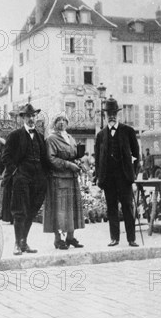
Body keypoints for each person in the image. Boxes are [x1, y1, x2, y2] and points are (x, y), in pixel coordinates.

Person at [1, 103, 49, 255]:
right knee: (20, 211)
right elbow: (6, 157)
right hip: (21, 178)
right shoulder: (15, 135)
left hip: (38, 180)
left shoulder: (40, 137)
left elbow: (45, 159)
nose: (32, 119)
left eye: (34, 116)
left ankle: (24, 242)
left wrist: (45, 176)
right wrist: (16, 172)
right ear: (23, 118)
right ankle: (16, 243)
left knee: (32, 211)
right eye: (28, 116)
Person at [95, 97, 140, 247]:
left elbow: (136, 155)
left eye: (114, 112)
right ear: (105, 115)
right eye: (109, 113)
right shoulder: (100, 135)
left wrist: (133, 175)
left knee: (127, 207)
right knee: (112, 208)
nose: (112, 115)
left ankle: (131, 239)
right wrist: (99, 178)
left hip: (124, 177)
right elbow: (97, 160)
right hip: (108, 179)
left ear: (117, 114)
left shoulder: (128, 131)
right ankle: (114, 238)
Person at [43, 114, 85, 250]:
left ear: (67, 123)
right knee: (59, 209)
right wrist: (68, 165)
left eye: (63, 120)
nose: (61, 123)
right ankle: (58, 239)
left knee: (72, 208)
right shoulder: (51, 139)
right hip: (58, 178)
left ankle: (70, 237)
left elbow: (74, 155)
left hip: (72, 179)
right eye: (58, 120)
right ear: (54, 123)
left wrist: (79, 163)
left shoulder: (70, 138)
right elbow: (51, 158)